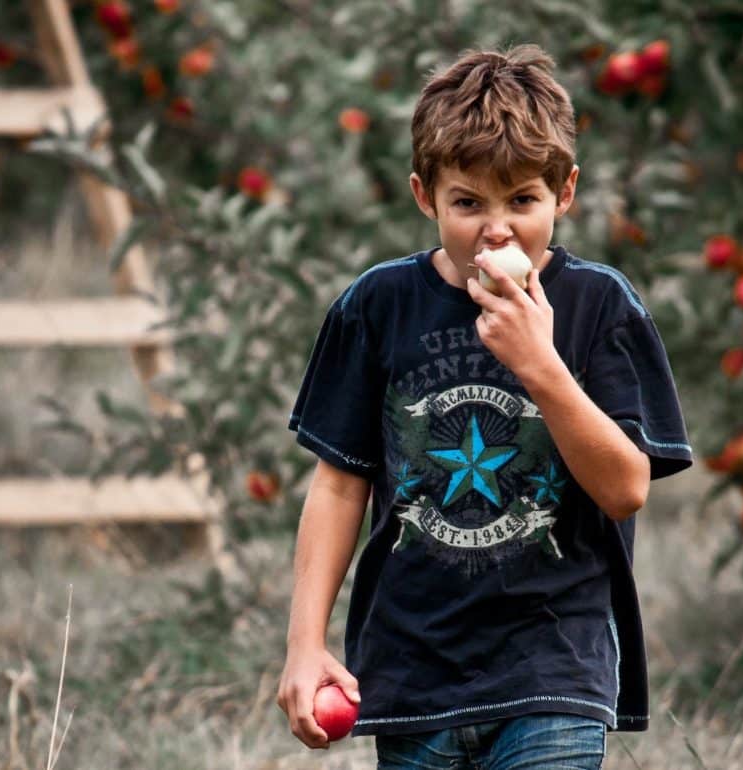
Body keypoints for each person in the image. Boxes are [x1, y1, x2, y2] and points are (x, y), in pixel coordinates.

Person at [276, 44, 693, 769]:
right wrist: (305, 646)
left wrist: (541, 364)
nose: (496, 230)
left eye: (522, 201)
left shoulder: (600, 308)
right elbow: (341, 483)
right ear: (424, 195)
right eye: (467, 203)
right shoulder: (378, 307)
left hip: (553, 671)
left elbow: (626, 489)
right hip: (413, 673)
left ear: (564, 194)